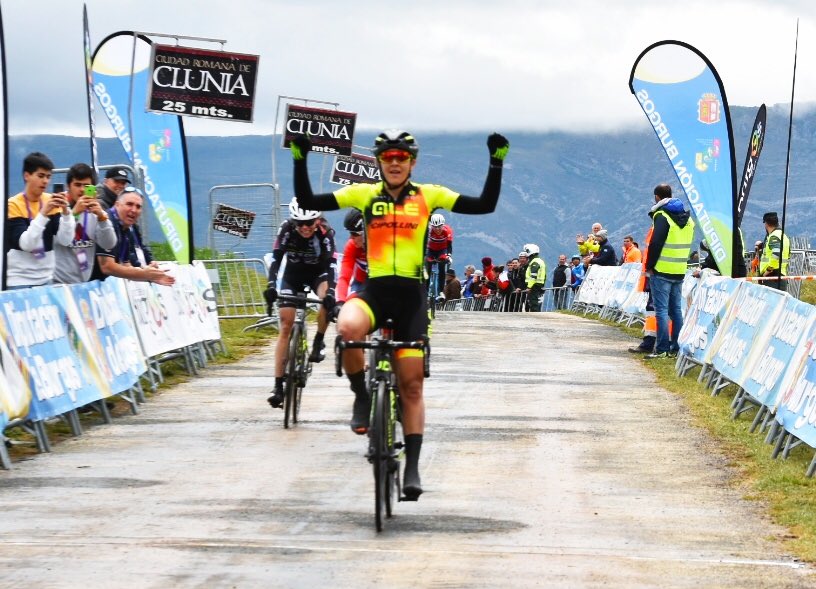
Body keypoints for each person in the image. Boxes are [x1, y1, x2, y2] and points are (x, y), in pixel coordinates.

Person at [290, 129, 508, 499]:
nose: (394, 163)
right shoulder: (365, 194)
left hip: (411, 297)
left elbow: (484, 204)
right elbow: (310, 198)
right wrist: (300, 159)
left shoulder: (429, 195)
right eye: (388, 157)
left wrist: (496, 161)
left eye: (401, 158)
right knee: (347, 327)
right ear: (379, 162)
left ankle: (412, 467)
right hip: (374, 292)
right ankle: (361, 395)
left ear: (412, 162)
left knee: (410, 385)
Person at [264, 197, 338, 408]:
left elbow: (332, 266)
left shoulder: (326, 233)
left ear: (317, 220)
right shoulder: (286, 229)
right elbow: (276, 260)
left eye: (309, 223)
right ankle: (278, 386)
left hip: (318, 274)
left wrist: (331, 292)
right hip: (293, 276)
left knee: (326, 300)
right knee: (285, 325)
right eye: (300, 223)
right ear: (293, 222)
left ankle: (318, 341)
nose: (304, 228)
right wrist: (271, 286)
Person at [5, 152, 76, 289]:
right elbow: (26, 244)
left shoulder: (51, 201)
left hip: (46, 279)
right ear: (27, 176)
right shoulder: (12, 205)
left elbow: (66, 240)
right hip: (19, 281)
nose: (45, 181)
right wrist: (43, 213)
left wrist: (67, 213)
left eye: (48, 177)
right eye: (41, 176)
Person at [644, 183, 695, 359]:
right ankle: (676, 346)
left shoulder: (661, 216)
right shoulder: (688, 219)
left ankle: (662, 348)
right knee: (676, 310)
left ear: (657, 197)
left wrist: (649, 265)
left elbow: (656, 242)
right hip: (679, 269)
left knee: (662, 311)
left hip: (662, 269)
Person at [94, 186, 175, 286]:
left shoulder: (127, 228)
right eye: (129, 204)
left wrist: (151, 276)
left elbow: (125, 265)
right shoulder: (108, 222)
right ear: (117, 204)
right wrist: (145, 274)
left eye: (138, 207)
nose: (134, 210)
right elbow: (107, 266)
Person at [53, 163, 117, 284]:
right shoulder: (58, 208)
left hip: (83, 282)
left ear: (93, 189)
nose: (82, 190)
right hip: (58, 283)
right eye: (77, 185)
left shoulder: (96, 212)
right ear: (69, 187)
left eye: (86, 186)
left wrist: (102, 218)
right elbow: (61, 240)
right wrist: (74, 213)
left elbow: (109, 244)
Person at [335, 208, 367, 312]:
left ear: (366, 233)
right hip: (361, 283)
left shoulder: (384, 246)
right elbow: (344, 277)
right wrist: (340, 302)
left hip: (382, 284)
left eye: (354, 234)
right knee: (348, 309)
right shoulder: (352, 245)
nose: (351, 237)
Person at [759, 211, 790, 292]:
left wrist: (768, 270)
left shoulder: (774, 236)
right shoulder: (784, 236)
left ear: (766, 224)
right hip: (781, 275)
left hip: (772, 277)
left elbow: (776, 254)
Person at [425, 213, 453, 301]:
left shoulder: (447, 231)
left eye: (439, 227)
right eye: (435, 227)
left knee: (442, 267)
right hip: (431, 250)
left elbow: (449, 246)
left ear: (443, 225)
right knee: (427, 268)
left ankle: (441, 291)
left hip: (442, 250)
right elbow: (422, 242)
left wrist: (448, 255)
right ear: (431, 225)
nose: (437, 229)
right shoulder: (428, 230)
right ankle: (425, 291)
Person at [523, 243, 546, 311]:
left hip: (534, 285)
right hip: (538, 284)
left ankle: (535, 317)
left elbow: (533, 275)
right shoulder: (539, 261)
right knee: (533, 301)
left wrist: (529, 286)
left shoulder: (535, 262)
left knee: (533, 302)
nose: (526, 254)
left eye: (527, 251)